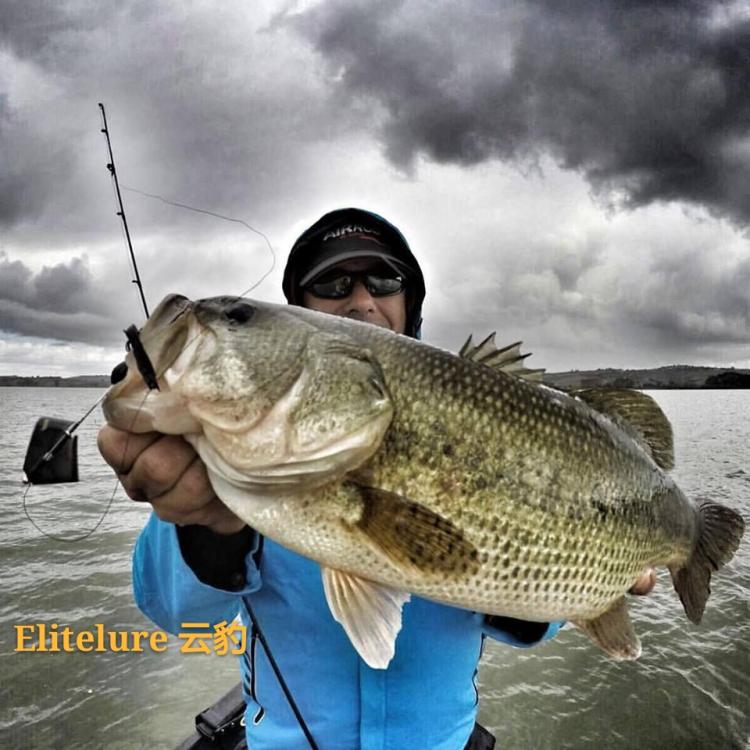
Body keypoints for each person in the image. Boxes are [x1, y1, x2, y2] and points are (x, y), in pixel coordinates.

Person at [98, 208, 655, 750]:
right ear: (302, 311)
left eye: (385, 281)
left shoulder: (481, 418)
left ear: (409, 304)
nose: (362, 300)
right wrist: (204, 525)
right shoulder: (219, 460)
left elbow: (536, 624)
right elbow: (175, 613)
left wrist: (590, 571)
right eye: (333, 282)